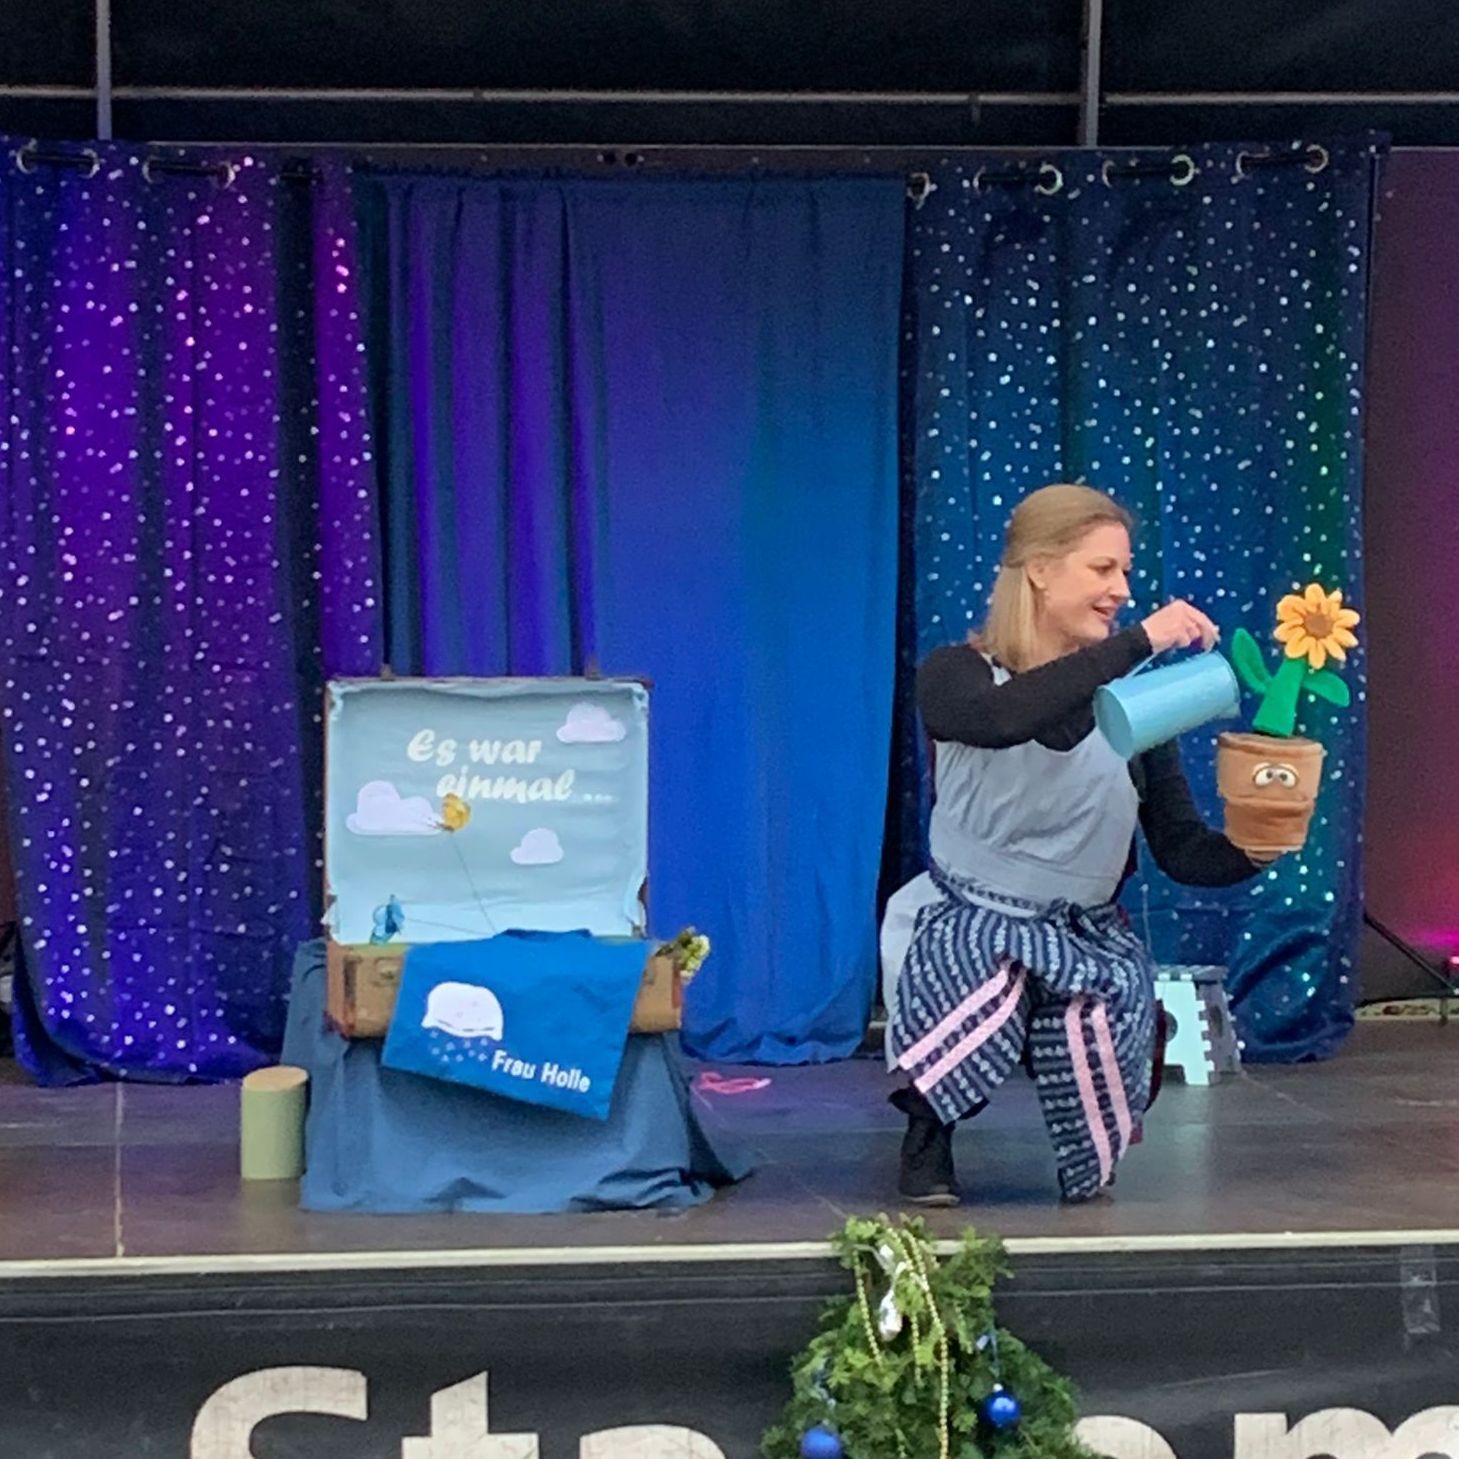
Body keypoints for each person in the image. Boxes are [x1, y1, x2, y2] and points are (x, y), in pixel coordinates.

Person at [883, 483, 1269, 1207]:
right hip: (973, 913)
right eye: (1102, 569)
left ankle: (1082, 1150)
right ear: (1038, 570)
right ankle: (928, 1135)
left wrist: (1258, 842)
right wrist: (1139, 642)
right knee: (970, 971)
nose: (1121, 590)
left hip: (1082, 931)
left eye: (1125, 572)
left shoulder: (1138, 709)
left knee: (1107, 1025)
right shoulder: (958, 673)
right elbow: (1002, 720)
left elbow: (1180, 846)